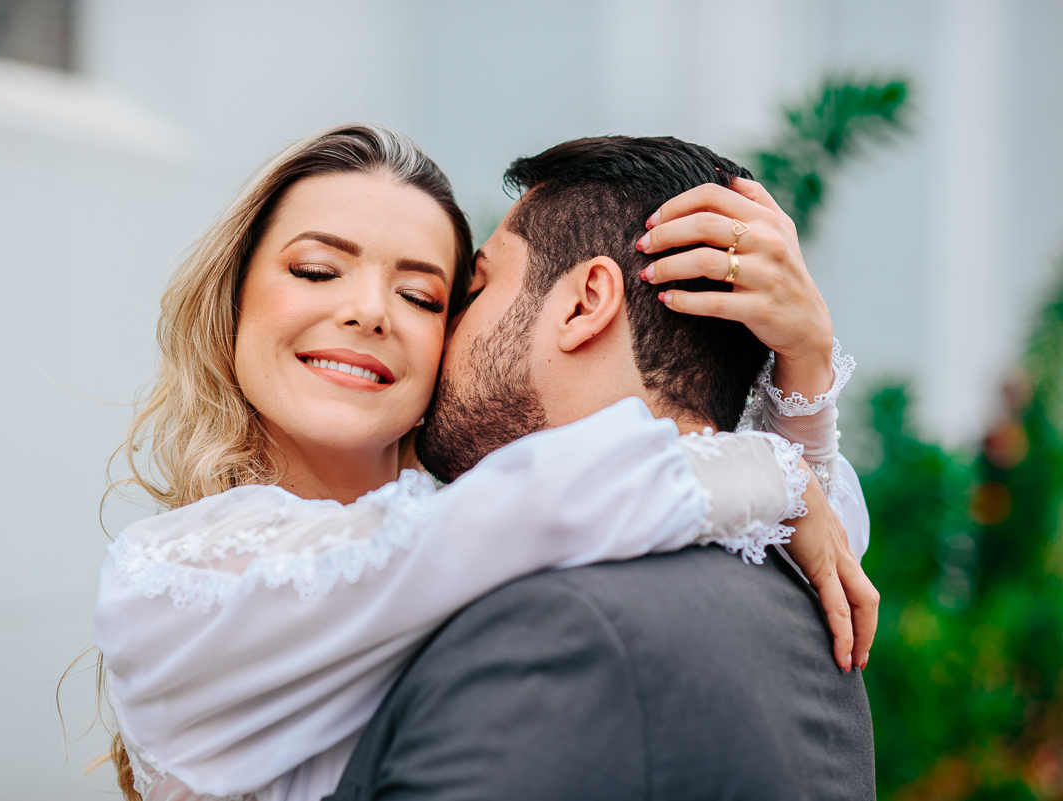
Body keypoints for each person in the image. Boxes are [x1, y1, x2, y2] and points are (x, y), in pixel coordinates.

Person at [88, 125, 874, 801]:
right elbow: (520, 512)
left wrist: (802, 369)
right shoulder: (168, 579)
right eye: (317, 270)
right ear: (235, 299)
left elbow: (818, 558)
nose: (367, 311)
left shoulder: (494, 526)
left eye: (429, 298)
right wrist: (776, 469)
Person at [325, 135, 877, 801]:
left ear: (586, 302)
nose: (443, 334)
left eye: (475, 287)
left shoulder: (554, 623)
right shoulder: (802, 601)